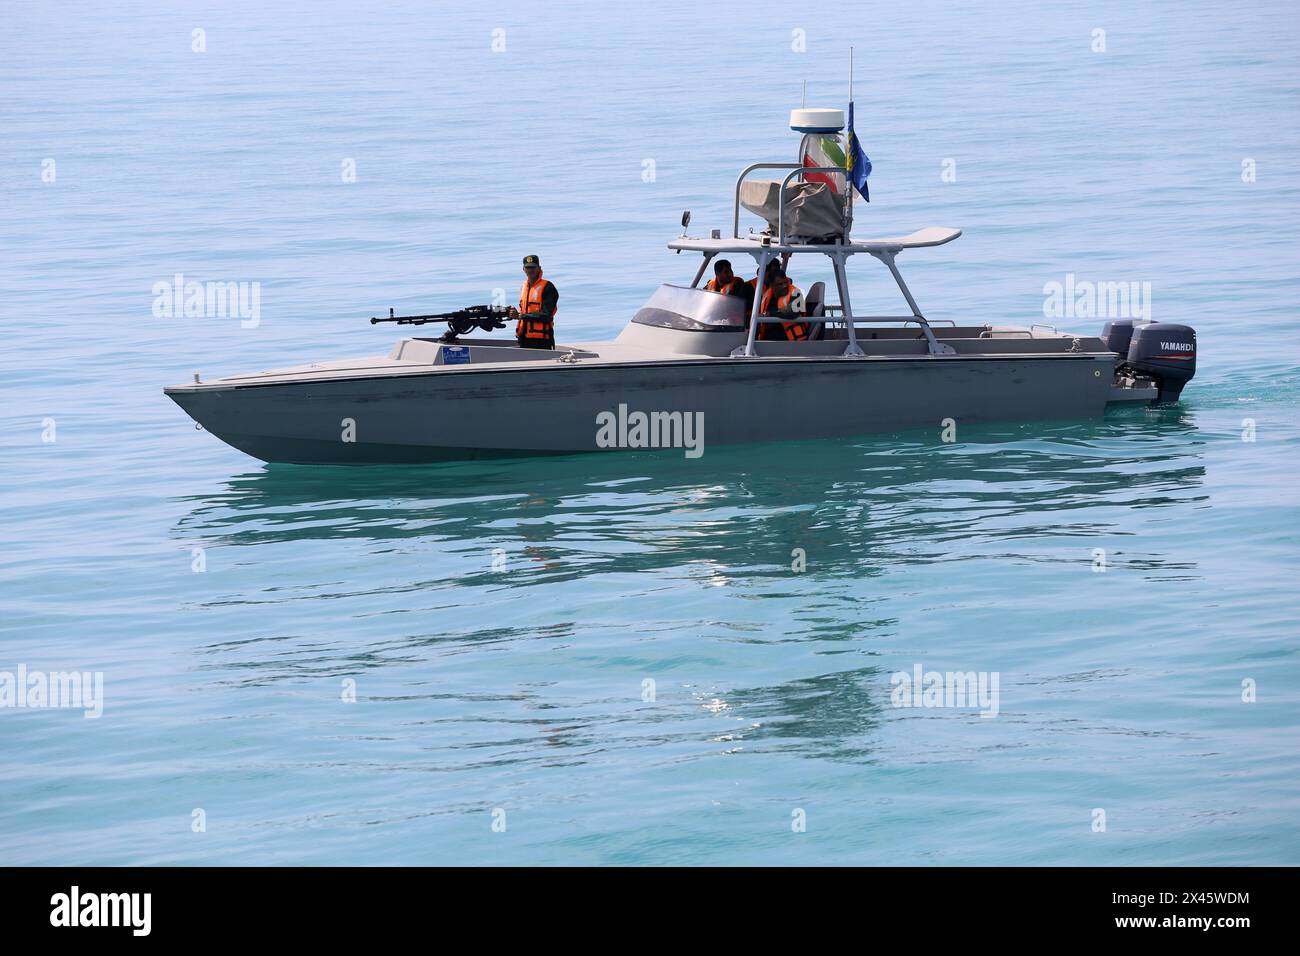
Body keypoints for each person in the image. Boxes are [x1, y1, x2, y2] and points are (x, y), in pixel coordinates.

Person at [507, 254, 558, 349]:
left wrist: (520, 316)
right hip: (524, 337)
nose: (530, 270)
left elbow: (546, 315)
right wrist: (511, 313)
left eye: (533, 267)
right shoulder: (524, 286)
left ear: (539, 268)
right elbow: (524, 310)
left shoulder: (548, 287)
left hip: (542, 340)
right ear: (523, 269)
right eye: (528, 267)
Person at [756, 264, 810, 341]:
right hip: (768, 340)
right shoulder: (767, 295)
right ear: (772, 285)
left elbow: (793, 312)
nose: (784, 286)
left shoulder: (796, 293)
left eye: (785, 283)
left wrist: (770, 314)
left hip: (790, 341)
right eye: (780, 284)